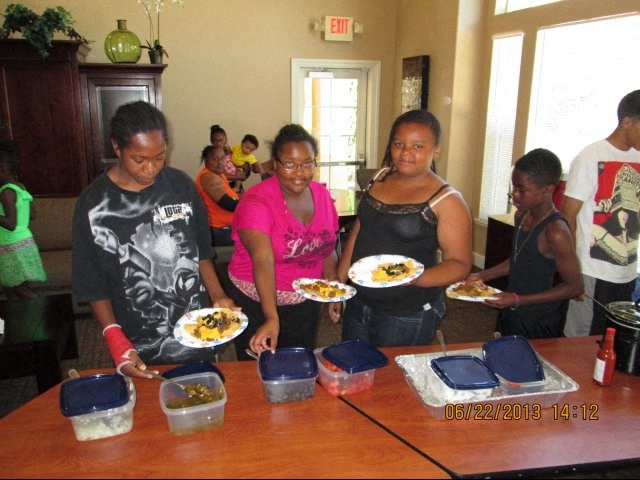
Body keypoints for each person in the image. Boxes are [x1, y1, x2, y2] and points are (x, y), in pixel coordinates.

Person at [72, 101, 237, 379]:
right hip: (136, 338)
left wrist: (218, 295)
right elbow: (92, 284)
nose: (151, 168)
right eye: (139, 159)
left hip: (195, 331)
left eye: (159, 157)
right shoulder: (93, 204)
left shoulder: (180, 186)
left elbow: (201, 252)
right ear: (116, 148)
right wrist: (116, 340)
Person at [337, 109, 472, 347]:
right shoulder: (379, 177)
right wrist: (340, 284)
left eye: (418, 146)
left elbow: (460, 265)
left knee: (392, 379)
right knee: (353, 369)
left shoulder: (447, 200)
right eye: (399, 143)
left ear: (436, 150)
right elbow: (359, 231)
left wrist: (413, 278)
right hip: (360, 301)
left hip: (406, 312)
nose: (406, 153)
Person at [223, 124, 341, 360]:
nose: (300, 172)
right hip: (257, 300)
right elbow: (263, 260)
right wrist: (271, 317)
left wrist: (331, 285)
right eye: (289, 164)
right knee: (260, 371)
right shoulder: (256, 202)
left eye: (307, 163)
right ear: (275, 164)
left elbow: (327, 245)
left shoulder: (322, 195)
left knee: (299, 363)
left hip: (303, 298)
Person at [465, 149, 583, 338]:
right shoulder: (522, 215)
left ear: (547, 189)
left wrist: (518, 300)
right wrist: (482, 275)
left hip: (539, 319)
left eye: (522, 189)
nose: (514, 194)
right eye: (513, 187)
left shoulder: (556, 232)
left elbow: (575, 287)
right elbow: (519, 259)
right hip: (513, 310)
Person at [563, 90, 640, 337]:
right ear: (627, 122)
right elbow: (568, 216)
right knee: (580, 340)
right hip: (590, 270)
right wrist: (572, 271)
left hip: (626, 270)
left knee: (614, 339)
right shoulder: (590, 157)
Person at [0, 140, 47, 298]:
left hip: (11, 245)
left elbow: (10, 224)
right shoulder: (20, 187)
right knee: (10, 288)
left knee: (18, 288)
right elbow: (32, 214)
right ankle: (19, 320)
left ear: (2, 168)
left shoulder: (6, 192)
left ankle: (48, 311)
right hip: (25, 242)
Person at [195, 145, 240, 247]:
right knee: (258, 235)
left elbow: (231, 195)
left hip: (227, 227)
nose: (220, 162)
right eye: (215, 159)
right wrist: (249, 206)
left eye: (222, 159)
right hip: (218, 230)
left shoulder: (219, 175)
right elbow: (226, 203)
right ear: (206, 160)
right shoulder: (208, 177)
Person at [210, 124, 246, 192]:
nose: (218, 144)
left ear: (226, 140)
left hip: (236, 182)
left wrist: (244, 167)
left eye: (221, 141)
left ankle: (237, 187)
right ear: (211, 141)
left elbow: (239, 163)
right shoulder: (213, 157)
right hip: (225, 184)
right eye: (215, 141)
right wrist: (238, 177)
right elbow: (221, 175)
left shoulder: (230, 152)